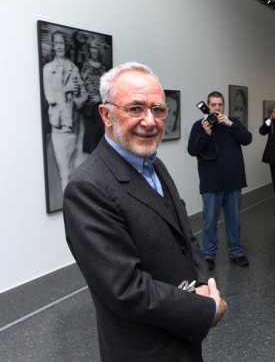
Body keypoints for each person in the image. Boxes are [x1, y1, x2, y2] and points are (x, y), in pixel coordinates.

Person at [63, 62, 227, 361]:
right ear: (106, 114)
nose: (150, 121)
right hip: (144, 349)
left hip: (181, 337)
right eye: (135, 109)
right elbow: (125, 289)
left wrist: (202, 281)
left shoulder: (153, 163)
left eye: (158, 109)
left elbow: (183, 234)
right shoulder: (88, 188)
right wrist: (205, 308)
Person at [188, 91, 252, 270]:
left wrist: (231, 124)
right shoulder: (199, 126)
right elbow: (192, 150)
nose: (217, 108)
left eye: (220, 104)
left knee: (234, 220)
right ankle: (208, 255)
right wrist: (206, 133)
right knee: (209, 221)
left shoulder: (233, 123)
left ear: (224, 106)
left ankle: (236, 253)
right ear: (208, 107)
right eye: (214, 104)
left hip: (233, 180)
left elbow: (247, 139)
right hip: (211, 182)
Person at [43, 30, 88, 192]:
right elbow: (51, 97)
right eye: (57, 43)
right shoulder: (48, 69)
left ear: (65, 45)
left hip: (76, 126)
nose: (59, 46)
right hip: (60, 126)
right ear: (54, 46)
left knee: (78, 171)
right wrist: (67, 90)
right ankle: (67, 209)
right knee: (64, 173)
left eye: (62, 43)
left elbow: (84, 95)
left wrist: (77, 100)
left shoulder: (73, 68)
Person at [80, 36, 107, 154]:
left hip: (101, 109)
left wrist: (100, 98)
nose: (94, 50)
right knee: (91, 141)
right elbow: (82, 86)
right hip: (89, 110)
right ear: (89, 49)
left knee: (101, 142)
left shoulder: (103, 68)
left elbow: (108, 90)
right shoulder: (85, 66)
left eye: (96, 47)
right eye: (91, 47)